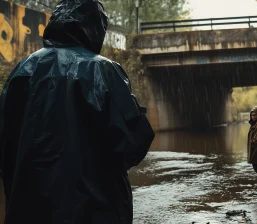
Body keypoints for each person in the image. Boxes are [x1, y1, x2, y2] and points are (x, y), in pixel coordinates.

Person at [0, 1, 155, 223]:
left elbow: (4, 145)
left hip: (29, 211)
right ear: (95, 28)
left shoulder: (22, 71)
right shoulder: (102, 70)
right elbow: (134, 142)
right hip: (95, 211)